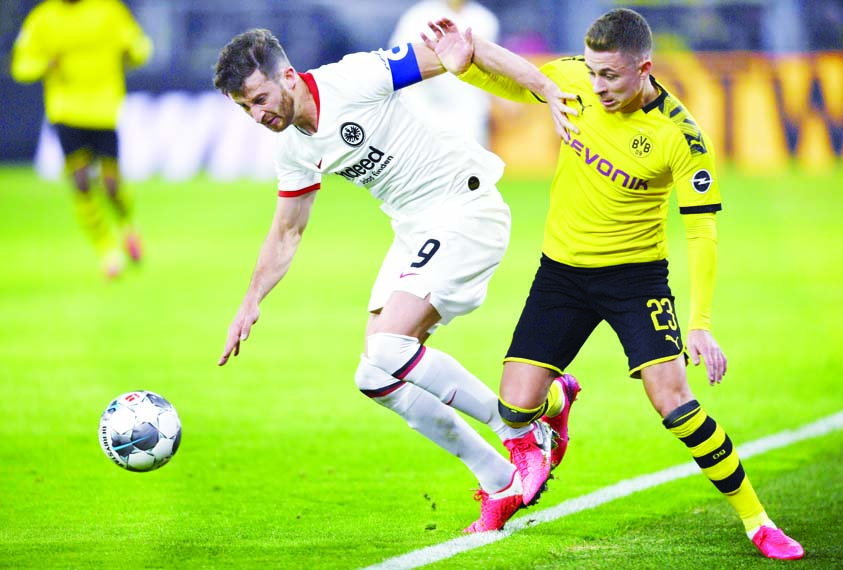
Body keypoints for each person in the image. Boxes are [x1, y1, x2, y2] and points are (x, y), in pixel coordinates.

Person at [422, 9, 804, 560]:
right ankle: (558, 400)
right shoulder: (576, 78)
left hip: (635, 280)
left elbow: (702, 232)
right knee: (513, 410)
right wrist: (466, 68)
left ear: (644, 68)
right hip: (561, 274)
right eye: (593, 72)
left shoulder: (680, 136)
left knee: (675, 404)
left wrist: (700, 324)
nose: (597, 86)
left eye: (611, 76)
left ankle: (758, 521)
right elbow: (516, 81)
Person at [212, 28, 578, 532]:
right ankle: (502, 477)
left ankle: (521, 433)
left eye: (259, 99)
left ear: (289, 78)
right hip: (414, 229)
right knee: (375, 376)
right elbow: (286, 231)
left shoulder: (355, 78)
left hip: (464, 207)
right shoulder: (293, 148)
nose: (257, 115)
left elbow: (464, 51)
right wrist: (251, 300)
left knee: (388, 348)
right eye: (244, 108)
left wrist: (548, 90)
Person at [11, 0, 152, 278]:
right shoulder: (43, 17)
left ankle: (127, 227)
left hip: (103, 108)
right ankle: (107, 251)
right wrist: (43, 63)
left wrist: (130, 52)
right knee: (80, 181)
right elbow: (21, 64)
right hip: (66, 110)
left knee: (111, 184)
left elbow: (141, 48)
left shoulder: (108, 11)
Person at [388, 0, 500, 147]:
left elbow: (490, 68)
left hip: (471, 112)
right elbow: (399, 66)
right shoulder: (417, 17)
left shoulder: (485, 20)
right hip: (427, 110)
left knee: (473, 166)